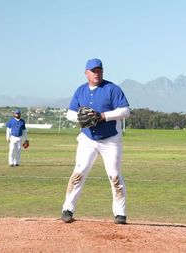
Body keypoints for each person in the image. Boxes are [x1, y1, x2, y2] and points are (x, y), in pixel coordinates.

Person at [61, 58, 130, 224]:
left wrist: (103, 116)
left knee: (114, 176)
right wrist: (79, 118)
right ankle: (67, 209)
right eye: (93, 71)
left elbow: (125, 110)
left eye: (99, 70)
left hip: (110, 139)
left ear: (102, 72)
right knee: (79, 173)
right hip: (87, 139)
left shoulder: (112, 89)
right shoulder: (80, 91)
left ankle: (120, 213)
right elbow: (70, 112)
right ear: (86, 73)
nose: (96, 73)